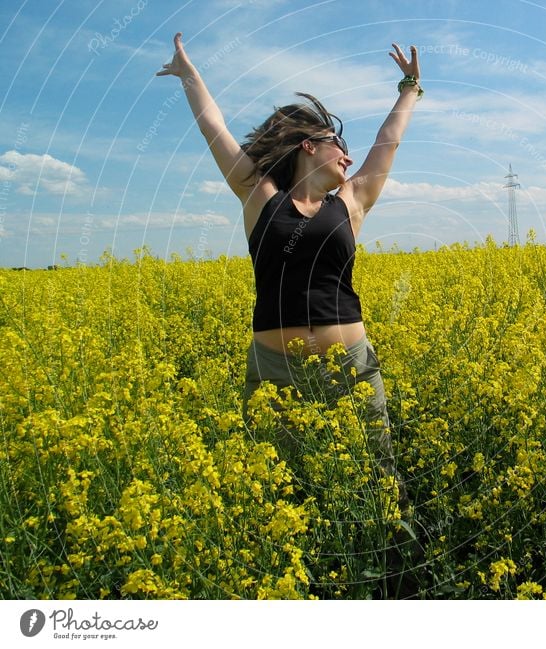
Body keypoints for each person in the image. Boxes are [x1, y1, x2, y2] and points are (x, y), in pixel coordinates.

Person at [157, 33, 424, 595]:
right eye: (336, 144)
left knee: (379, 475)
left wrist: (408, 89)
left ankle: (392, 583)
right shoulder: (260, 196)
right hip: (275, 373)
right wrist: (189, 75)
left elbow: (387, 141)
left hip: (349, 369)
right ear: (308, 146)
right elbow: (216, 131)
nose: (348, 156)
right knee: (275, 485)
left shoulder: (350, 203)